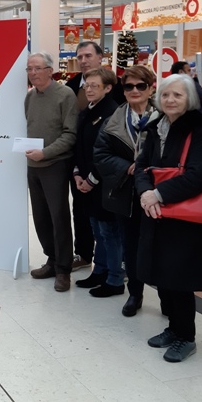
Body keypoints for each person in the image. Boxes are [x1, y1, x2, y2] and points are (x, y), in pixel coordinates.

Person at [134, 74, 202, 362]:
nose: (170, 100)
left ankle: (186, 336)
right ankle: (173, 328)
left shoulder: (200, 129)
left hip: (184, 217)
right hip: (157, 211)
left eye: (177, 95)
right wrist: (145, 193)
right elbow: (141, 166)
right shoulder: (155, 126)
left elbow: (199, 174)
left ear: (190, 99)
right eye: (165, 95)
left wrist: (158, 194)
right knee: (163, 273)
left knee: (181, 277)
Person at [94, 65, 158, 317]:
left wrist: (149, 169)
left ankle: (166, 295)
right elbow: (101, 155)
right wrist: (127, 167)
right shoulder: (113, 120)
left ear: (150, 88)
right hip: (126, 193)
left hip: (158, 192)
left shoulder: (165, 116)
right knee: (131, 247)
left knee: (159, 247)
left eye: (141, 85)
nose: (134, 90)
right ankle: (135, 294)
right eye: (129, 86)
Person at [64, 41, 124, 270]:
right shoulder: (70, 87)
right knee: (80, 211)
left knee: (107, 220)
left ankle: (114, 264)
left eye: (88, 55)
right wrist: (77, 170)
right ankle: (84, 253)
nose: (83, 60)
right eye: (79, 57)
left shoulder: (117, 88)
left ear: (100, 57)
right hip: (79, 160)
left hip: (105, 167)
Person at [25, 52, 78, 292]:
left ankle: (64, 269)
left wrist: (45, 153)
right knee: (40, 217)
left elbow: (70, 134)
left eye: (37, 68)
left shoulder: (65, 95)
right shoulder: (30, 97)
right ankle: (52, 259)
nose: (33, 73)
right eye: (29, 69)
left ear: (50, 70)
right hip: (33, 166)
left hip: (55, 165)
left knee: (59, 217)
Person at [72, 68, 124, 297]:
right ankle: (100, 271)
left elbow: (107, 153)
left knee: (109, 232)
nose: (89, 89)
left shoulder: (112, 113)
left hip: (103, 184)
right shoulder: (88, 111)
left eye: (95, 86)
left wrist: (91, 180)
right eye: (87, 85)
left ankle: (115, 279)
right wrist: (77, 173)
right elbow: (79, 146)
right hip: (87, 183)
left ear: (108, 88)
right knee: (97, 229)